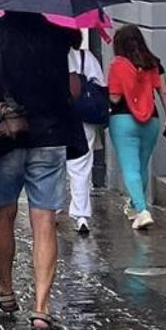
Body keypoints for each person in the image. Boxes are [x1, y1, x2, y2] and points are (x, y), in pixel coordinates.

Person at [0, 12, 86, 330]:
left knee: (3, 213)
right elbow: (73, 89)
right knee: (44, 221)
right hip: (49, 137)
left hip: (5, 137)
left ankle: (5, 289)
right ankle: (42, 310)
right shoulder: (60, 34)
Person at [108, 25, 166, 231]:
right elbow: (164, 92)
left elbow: (115, 97)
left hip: (122, 120)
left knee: (130, 168)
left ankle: (142, 210)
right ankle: (133, 206)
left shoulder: (117, 65)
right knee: (142, 165)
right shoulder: (154, 63)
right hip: (151, 121)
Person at [66, 32, 106, 234]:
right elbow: (101, 86)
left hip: (58, 117)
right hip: (84, 119)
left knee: (52, 163)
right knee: (81, 165)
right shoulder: (86, 57)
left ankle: (53, 209)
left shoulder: (53, 55)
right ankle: (81, 215)